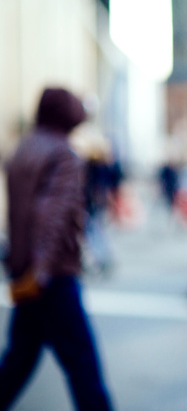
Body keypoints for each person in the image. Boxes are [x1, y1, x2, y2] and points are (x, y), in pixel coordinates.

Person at [0, 87, 113, 410]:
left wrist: (24, 269)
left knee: (18, 361)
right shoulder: (63, 153)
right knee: (83, 365)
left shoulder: (23, 148)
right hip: (52, 277)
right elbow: (50, 218)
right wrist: (43, 271)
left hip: (28, 272)